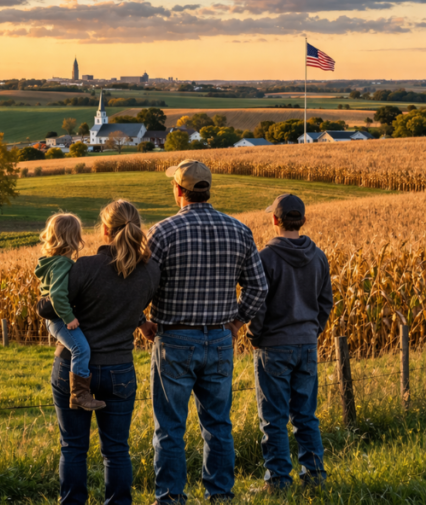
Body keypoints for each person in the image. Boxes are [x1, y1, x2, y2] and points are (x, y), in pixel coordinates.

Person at [141, 160, 268, 504]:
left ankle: (170, 497)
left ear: (179, 191)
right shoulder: (239, 230)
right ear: (208, 189)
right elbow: (258, 288)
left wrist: (141, 320)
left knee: (169, 428)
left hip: (175, 339)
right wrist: (237, 322)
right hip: (220, 339)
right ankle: (221, 495)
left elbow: (139, 287)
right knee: (218, 425)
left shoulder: (162, 232)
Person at [51, 200, 160, 505]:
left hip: (72, 368)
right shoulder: (151, 271)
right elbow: (127, 303)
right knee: (116, 449)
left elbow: (51, 306)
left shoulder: (84, 267)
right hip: (119, 370)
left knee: (73, 447)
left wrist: (42, 303)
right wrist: (140, 321)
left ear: (105, 230)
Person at [248, 194, 331, 492]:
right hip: (307, 345)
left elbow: (257, 304)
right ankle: (314, 476)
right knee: (306, 415)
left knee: (273, 417)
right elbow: (326, 301)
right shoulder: (319, 256)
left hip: (273, 345)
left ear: (274, 220)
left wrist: (255, 336)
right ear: (303, 220)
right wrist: (313, 330)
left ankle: (278, 481)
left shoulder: (264, 258)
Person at [36, 212, 105, 411]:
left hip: (56, 318)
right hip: (59, 319)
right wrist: (69, 318)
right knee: (80, 349)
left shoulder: (54, 261)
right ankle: (80, 395)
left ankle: (80, 394)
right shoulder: (61, 264)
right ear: (73, 238)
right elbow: (57, 295)